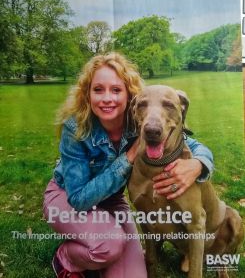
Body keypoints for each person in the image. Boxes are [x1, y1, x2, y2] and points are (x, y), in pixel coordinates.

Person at [43, 52, 213, 278]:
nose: (107, 98)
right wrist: (129, 156)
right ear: (88, 93)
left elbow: (193, 144)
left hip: (112, 201)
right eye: (98, 90)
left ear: (128, 96)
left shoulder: (139, 118)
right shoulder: (76, 128)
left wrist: (199, 165)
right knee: (109, 245)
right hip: (68, 197)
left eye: (116, 90)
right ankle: (66, 257)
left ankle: (99, 250)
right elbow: (79, 199)